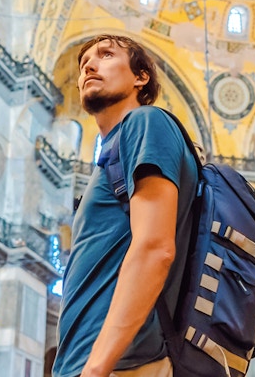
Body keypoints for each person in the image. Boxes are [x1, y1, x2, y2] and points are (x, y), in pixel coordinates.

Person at [53, 35, 199, 377]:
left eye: (106, 54)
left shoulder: (145, 123)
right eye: (84, 61)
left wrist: (96, 367)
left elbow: (155, 249)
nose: (89, 65)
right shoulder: (114, 153)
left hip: (122, 366)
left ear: (140, 77)